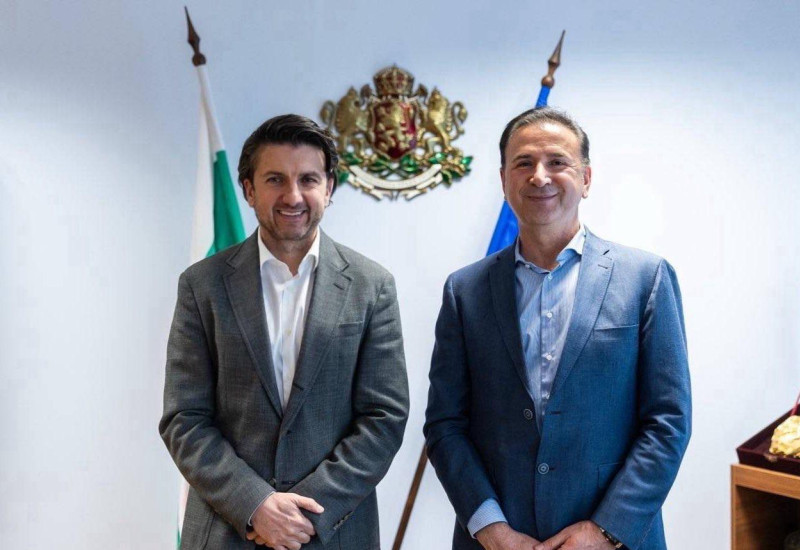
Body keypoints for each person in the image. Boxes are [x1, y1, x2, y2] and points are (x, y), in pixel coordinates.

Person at [424, 107, 691, 550]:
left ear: (586, 178)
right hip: (497, 541)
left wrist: (605, 530)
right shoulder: (465, 290)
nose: (539, 176)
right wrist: (491, 528)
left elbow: (668, 422)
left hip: (614, 540)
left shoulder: (646, 278)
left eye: (557, 162)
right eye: (523, 163)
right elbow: (445, 424)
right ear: (504, 180)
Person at [160, 114, 409, 550]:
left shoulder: (373, 286)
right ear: (249, 190)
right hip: (227, 531)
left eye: (308, 179)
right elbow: (184, 418)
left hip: (332, 533)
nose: (293, 196)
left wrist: (302, 515)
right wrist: (255, 505)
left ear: (329, 188)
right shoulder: (202, 285)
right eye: (275, 179)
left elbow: (384, 418)